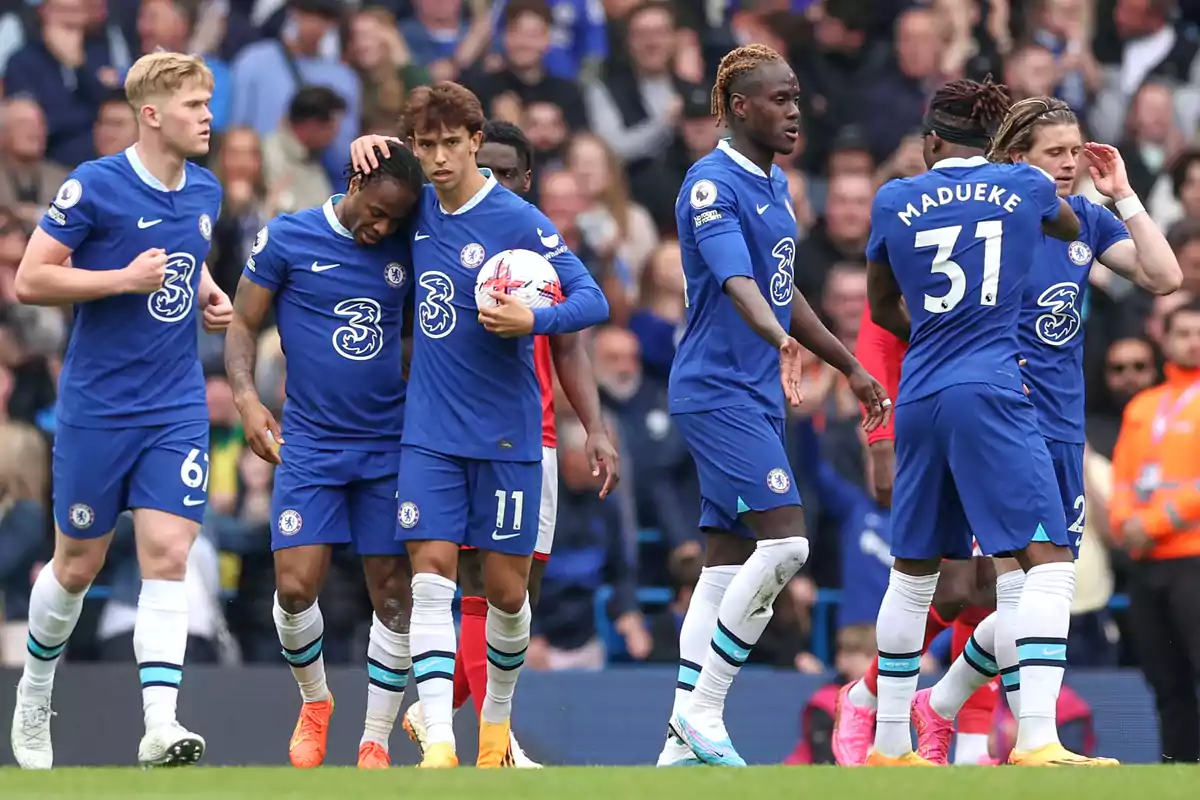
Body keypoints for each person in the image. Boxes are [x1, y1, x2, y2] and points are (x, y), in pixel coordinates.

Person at [908, 96, 1181, 763]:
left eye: (1074, 150)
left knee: (1036, 592)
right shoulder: (991, 224)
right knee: (1024, 582)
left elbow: (1165, 276)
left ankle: (939, 702)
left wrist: (1124, 196)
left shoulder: (1087, 219)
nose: (1068, 164)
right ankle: (1034, 738)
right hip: (999, 421)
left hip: (1062, 426)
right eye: (1053, 153)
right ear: (1014, 158)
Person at [349, 120, 620, 768]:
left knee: (511, 592)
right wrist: (370, 139)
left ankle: (436, 716)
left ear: (523, 181)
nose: (484, 177)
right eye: (481, 164)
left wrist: (597, 426)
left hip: (535, 439)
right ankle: (482, 742)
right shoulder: (432, 221)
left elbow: (571, 342)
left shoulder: (527, 240)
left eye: (502, 169)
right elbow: (395, 170)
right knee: (452, 579)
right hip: (451, 434)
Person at [864, 76, 1118, 767]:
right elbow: (1068, 225)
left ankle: (889, 744)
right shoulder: (1028, 191)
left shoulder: (894, 198)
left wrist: (935, 334)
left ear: (930, 142)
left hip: (919, 391)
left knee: (913, 574)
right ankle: (1036, 738)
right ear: (996, 142)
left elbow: (882, 306)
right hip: (994, 388)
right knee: (1048, 560)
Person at [657, 44, 890, 769]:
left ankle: (677, 741)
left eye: (795, 97)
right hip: (717, 387)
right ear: (736, 108)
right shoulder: (710, 184)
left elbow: (781, 287)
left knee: (725, 563)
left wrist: (846, 363)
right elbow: (738, 283)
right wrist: (778, 340)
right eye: (780, 100)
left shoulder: (774, 180)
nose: (795, 111)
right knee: (787, 543)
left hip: (754, 393)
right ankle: (704, 712)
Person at [10, 51, 232, 770]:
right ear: (152, 114)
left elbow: (183, 251)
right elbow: (31, 278)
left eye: (208, 104)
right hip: (98, 407)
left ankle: (160, 724)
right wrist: (120, 280)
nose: (207, 117)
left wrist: (206, 288)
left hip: (174, 405)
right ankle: (35, 691)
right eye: (195, 105)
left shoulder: (205, 191)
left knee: (169, 553)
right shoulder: (95, 186)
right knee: (76, 565)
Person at [223, 145, 426, 770]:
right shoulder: (288, 236)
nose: (382, 227)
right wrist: (247, 401)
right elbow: (240, 324)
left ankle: (374, 739)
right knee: (293, 587)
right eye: (378, 212)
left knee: (393, 594)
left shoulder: (409, 242)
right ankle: (315, 702)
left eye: (396, 219)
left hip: (388, 446)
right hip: (310, 445)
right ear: (356, 182)